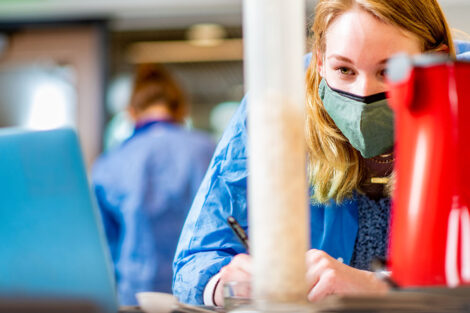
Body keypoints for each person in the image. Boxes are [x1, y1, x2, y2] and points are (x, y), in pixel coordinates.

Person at [172, 0, 470, 306]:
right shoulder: (277, 103)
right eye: (344, 69)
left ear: (437, 59)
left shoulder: (464, 95)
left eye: (389, 70)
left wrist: (384, 289)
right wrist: (227, 284)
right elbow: (197, 258)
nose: (363, 93)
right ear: (319, 59)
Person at [92, 64, 215, 305]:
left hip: (136, 296)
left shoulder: (110, 163)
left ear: (131, 112)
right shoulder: (209, 150)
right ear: (181, 108)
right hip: (199, 293)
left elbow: (103, 247)